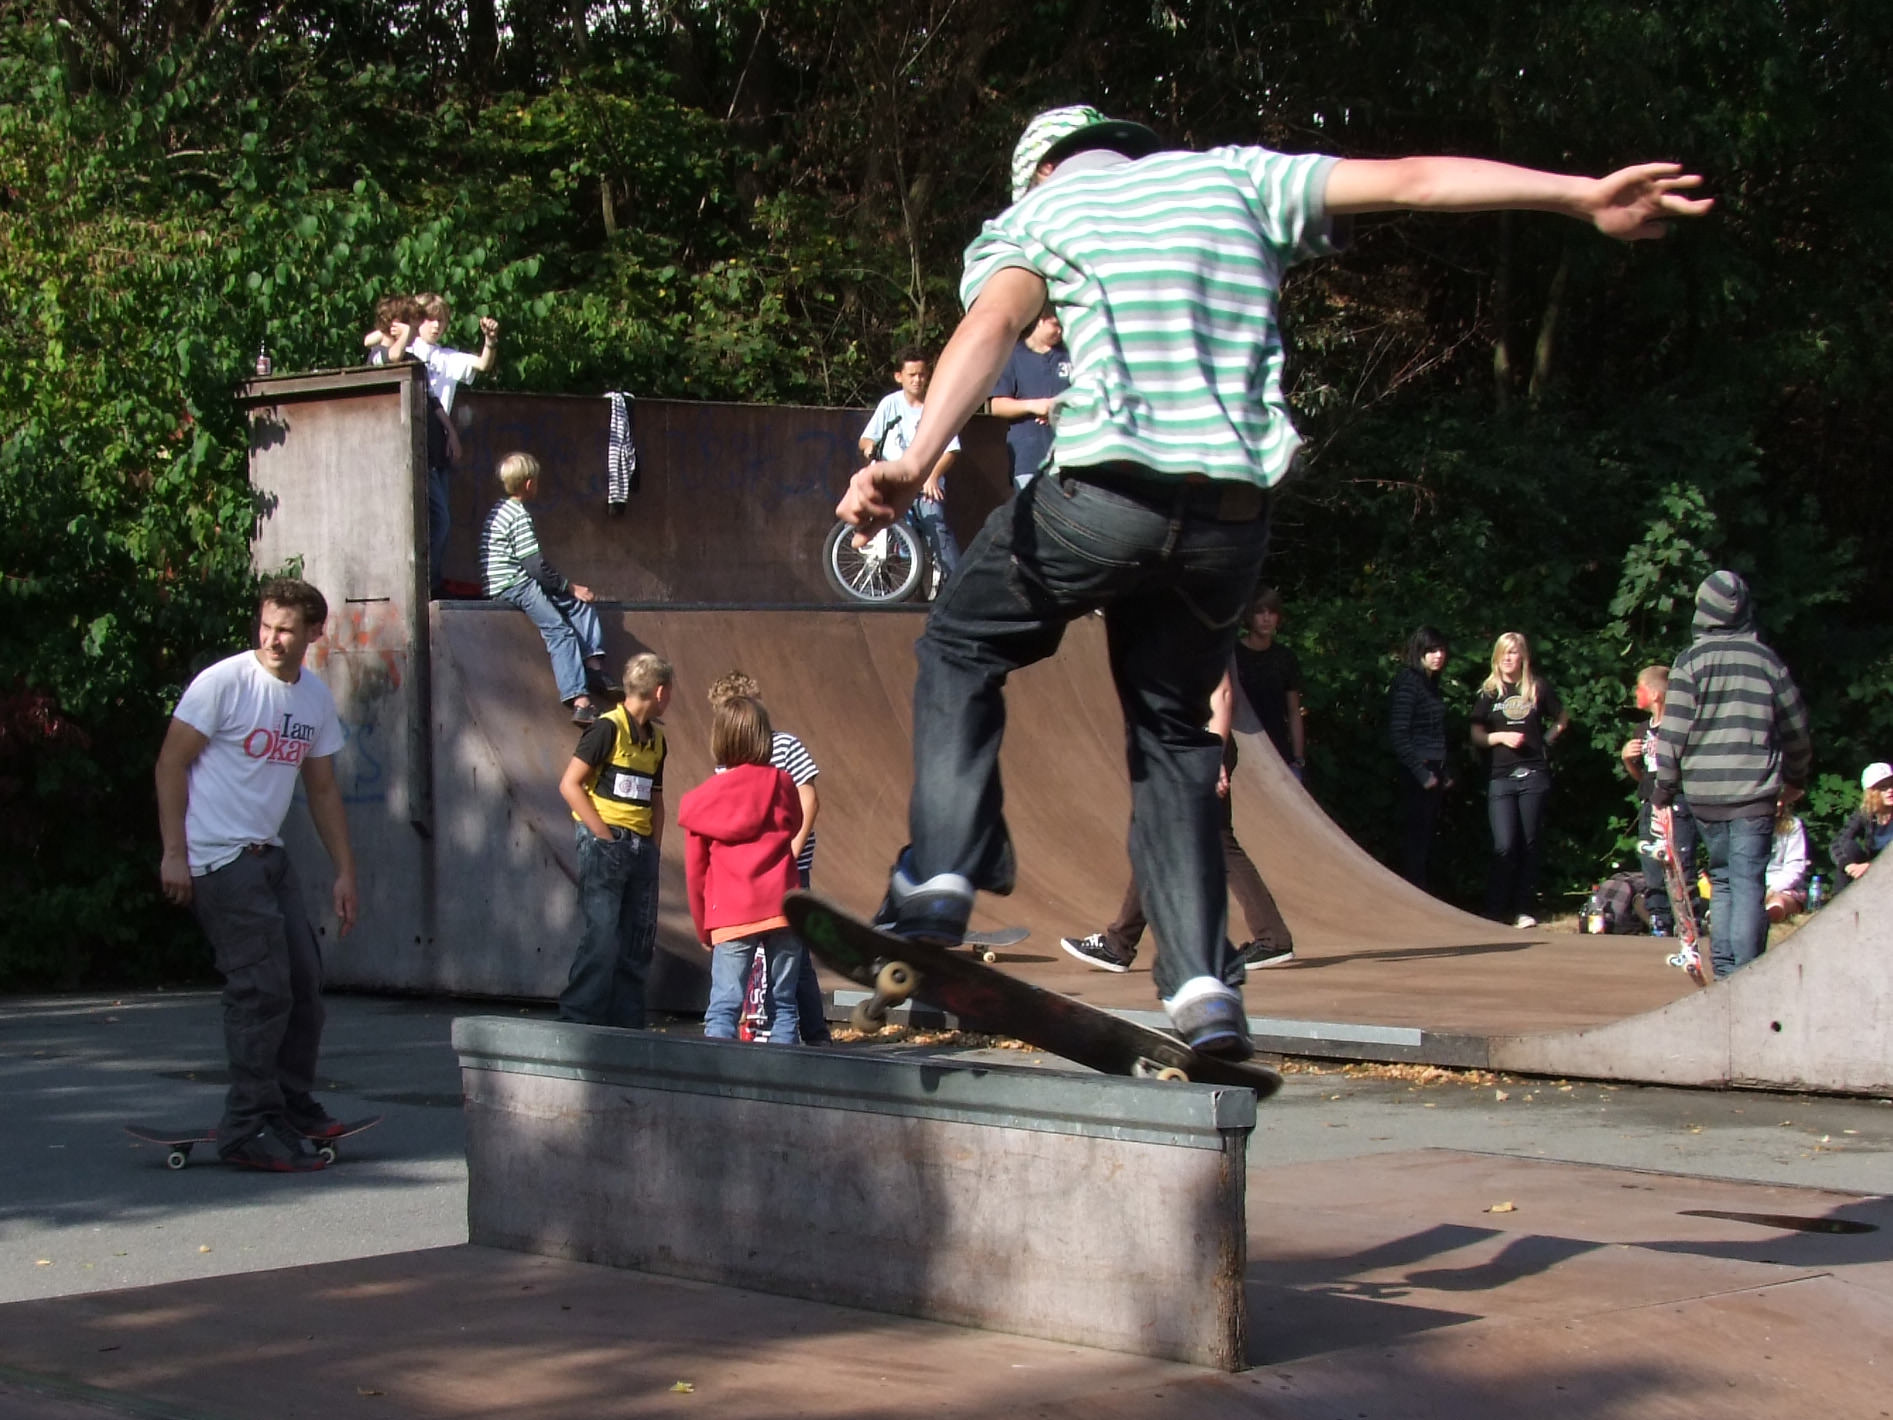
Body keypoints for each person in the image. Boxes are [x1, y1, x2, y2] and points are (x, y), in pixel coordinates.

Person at [836, 103, 1707, 1057]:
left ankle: (943, 868)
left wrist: (913, 459)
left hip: (1102, 500)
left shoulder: (1041, 215)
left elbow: (990, 324)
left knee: (962, 642)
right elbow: (1414, 177)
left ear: (1042, 172)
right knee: (1173, 734)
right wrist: (1579, 195)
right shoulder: (1237, 176)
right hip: (1228, 529)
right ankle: (1202, 984)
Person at [153, 578, 357, 1171]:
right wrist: (173, 852)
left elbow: (322, 789)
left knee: (303, 981)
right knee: (261, 988)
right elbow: (170, 764)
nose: (271, 639)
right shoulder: (223, 683)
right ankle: (247, 1125)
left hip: (269, 856)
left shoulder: (313, 699)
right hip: (217, 856)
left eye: (285, 630)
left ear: (314, 632)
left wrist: (346, 871)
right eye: (266, 626)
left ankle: (288, 1103)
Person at [1061, 667, 1295, 974]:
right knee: (1208, 842)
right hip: (1186, 747)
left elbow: (1223, 693)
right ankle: (1273, 937)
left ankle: (1118, 945)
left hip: (1199, 747)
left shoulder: (1200, 634)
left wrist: (1214, 755)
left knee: (1162, 841)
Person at [1652, 571, 1812, 979]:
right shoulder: (1766, 661)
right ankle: (1747, 976)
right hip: (1754, 791)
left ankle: (1725, 973)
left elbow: (1673, 732)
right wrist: (1795, 778)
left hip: (1705, 793)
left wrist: (1664, 788)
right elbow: (1796, 727)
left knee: (1722, 879)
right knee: (1747, 882)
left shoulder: (1690, 661)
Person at [707, 670, 831, 1044]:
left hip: (790, 867)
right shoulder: (727, 759)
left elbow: (809, 800)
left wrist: (791, 851)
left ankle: (814, 1033)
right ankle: (783, 1029)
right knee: (768, 952)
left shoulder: (786, 746)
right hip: (751, 872)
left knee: (794, 954)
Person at [679, 696, 807, 1044]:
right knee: (784, 1008)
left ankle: (717, 1072)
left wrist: (704, 927)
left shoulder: (702, 801)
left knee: (723, 1007)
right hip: (783, 907)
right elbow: (795, 823)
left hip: (730, 914)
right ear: (764, 737)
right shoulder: (782, 783)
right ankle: (783, 1073)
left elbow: (696, 872)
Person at [556, 652, 673, 1027]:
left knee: (638, 940)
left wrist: (653, 847)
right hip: (606, 843)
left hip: (641, 846)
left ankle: (627, 1025)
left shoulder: (657, 740)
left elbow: (656, 798)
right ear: (659, 691)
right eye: (669, 692)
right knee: (603, 936)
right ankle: (578, 1019)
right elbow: (570, 784)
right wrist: (604, 836)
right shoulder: (607, 728)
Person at [480, 451, 612, 725]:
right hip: (513, 584)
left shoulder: (500, 509)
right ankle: (580, 701)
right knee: (560, 631)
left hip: (518, 580)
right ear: (529, 484)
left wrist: (571, 592)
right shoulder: (518, 516)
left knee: (579, 604)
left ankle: (594, 669)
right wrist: (569, 586)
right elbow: (535, 567)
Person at [388, 293, 500, 595]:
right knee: (433, 518)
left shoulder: (445, 357)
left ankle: (430, 581)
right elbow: (378, 347)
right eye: (429, 318)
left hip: (437, 439)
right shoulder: (406, 349)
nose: (435, 325)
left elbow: (481, 364)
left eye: (441, 320)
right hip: (409, 435)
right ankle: (426, 584)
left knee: (439, 519)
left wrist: (490, 342)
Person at [1471, 632, 1568, 928]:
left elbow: (1562, 718)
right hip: (1501, 776)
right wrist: (1500, 737)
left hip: (1533, 774)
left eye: (1514, 652)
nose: (1508, 658)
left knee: (1529, 843)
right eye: (1504, 652)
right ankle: (1494, 909)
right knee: (1504, 844)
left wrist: (1546, 741)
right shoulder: (1489, 692)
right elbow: (1476, 734)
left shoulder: (1537, 688)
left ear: (1523, 657)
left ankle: (1523, 909)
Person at [859, 348, 963, 583]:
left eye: (922, 374)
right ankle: (881, 580)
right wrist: (869, 447)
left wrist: (933, 476)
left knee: (935, 523)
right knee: (883, 521)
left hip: (926, 481)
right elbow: (867, 439)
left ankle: (957, 582)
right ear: (899, 377)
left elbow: (951, 450)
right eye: (912, 375)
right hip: (894, 481)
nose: (917, 380)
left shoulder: (938, 406)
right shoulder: (890, 404)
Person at [1620, 664, 1698, 936]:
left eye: (1639, 688)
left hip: (1677, 803)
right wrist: (1628, 760)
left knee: (1681, 863)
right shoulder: (1642, 730)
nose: (1635, 693)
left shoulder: (1678, 728)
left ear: (1654, 694)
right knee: (1651, 864)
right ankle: (1659, 919)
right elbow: (1642, 777)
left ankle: (1688, 920)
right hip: (1649, 803)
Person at [1388, 626, 1452, 891]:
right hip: (1418, 772)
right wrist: (1422, 773)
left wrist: (1444, 771)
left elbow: (1436, 732)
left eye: (1441, 650)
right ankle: (1414, 892)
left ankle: (1421, 891)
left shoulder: (1430, 683)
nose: (1438, 655)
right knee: (1414, 839)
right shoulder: (1409, 682)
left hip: (1434, 769)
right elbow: (1399, 733)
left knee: (1425, 838)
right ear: (1419, 652)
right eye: (1431, 650)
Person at [988, 308, 1071, 488]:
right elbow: (994, 405)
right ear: (1040, 320)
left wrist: (1059, 410)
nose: (1060, 331)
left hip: (1071, 456)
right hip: (1028, 456)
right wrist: (1033, 406)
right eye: (1056, 325)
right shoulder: (1012, 355)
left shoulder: (1070, 354)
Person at [1232, 588, 1305, 778]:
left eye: (1271, 612)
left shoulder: (1285, 658)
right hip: (1239, 749)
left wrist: (1298, 759)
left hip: (1277, 749)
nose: (1266, 618)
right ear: (1249, 615)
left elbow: (1293, 711)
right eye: (1260, 612)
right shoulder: (1232, 655)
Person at [1831, 761, 1893, 890]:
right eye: (1883, 787)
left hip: (1885, 868)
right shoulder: (1865, 814)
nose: (1890, 791)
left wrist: (1872, 866)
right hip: (1873, 869)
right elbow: (1838, 842)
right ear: (1871, 793)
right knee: (1848, 847)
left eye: (1892, 785)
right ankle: (1841, 899)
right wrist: (1848, 866)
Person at [1765, 804, 1811, 922]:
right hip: (1749, 885)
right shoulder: (1742, 826)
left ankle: (1771, 914)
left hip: (1782, 887)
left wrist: (1772, 889)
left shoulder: (1792, 825)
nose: (1778, 804)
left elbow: (1794, 867)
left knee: (1780, 903)